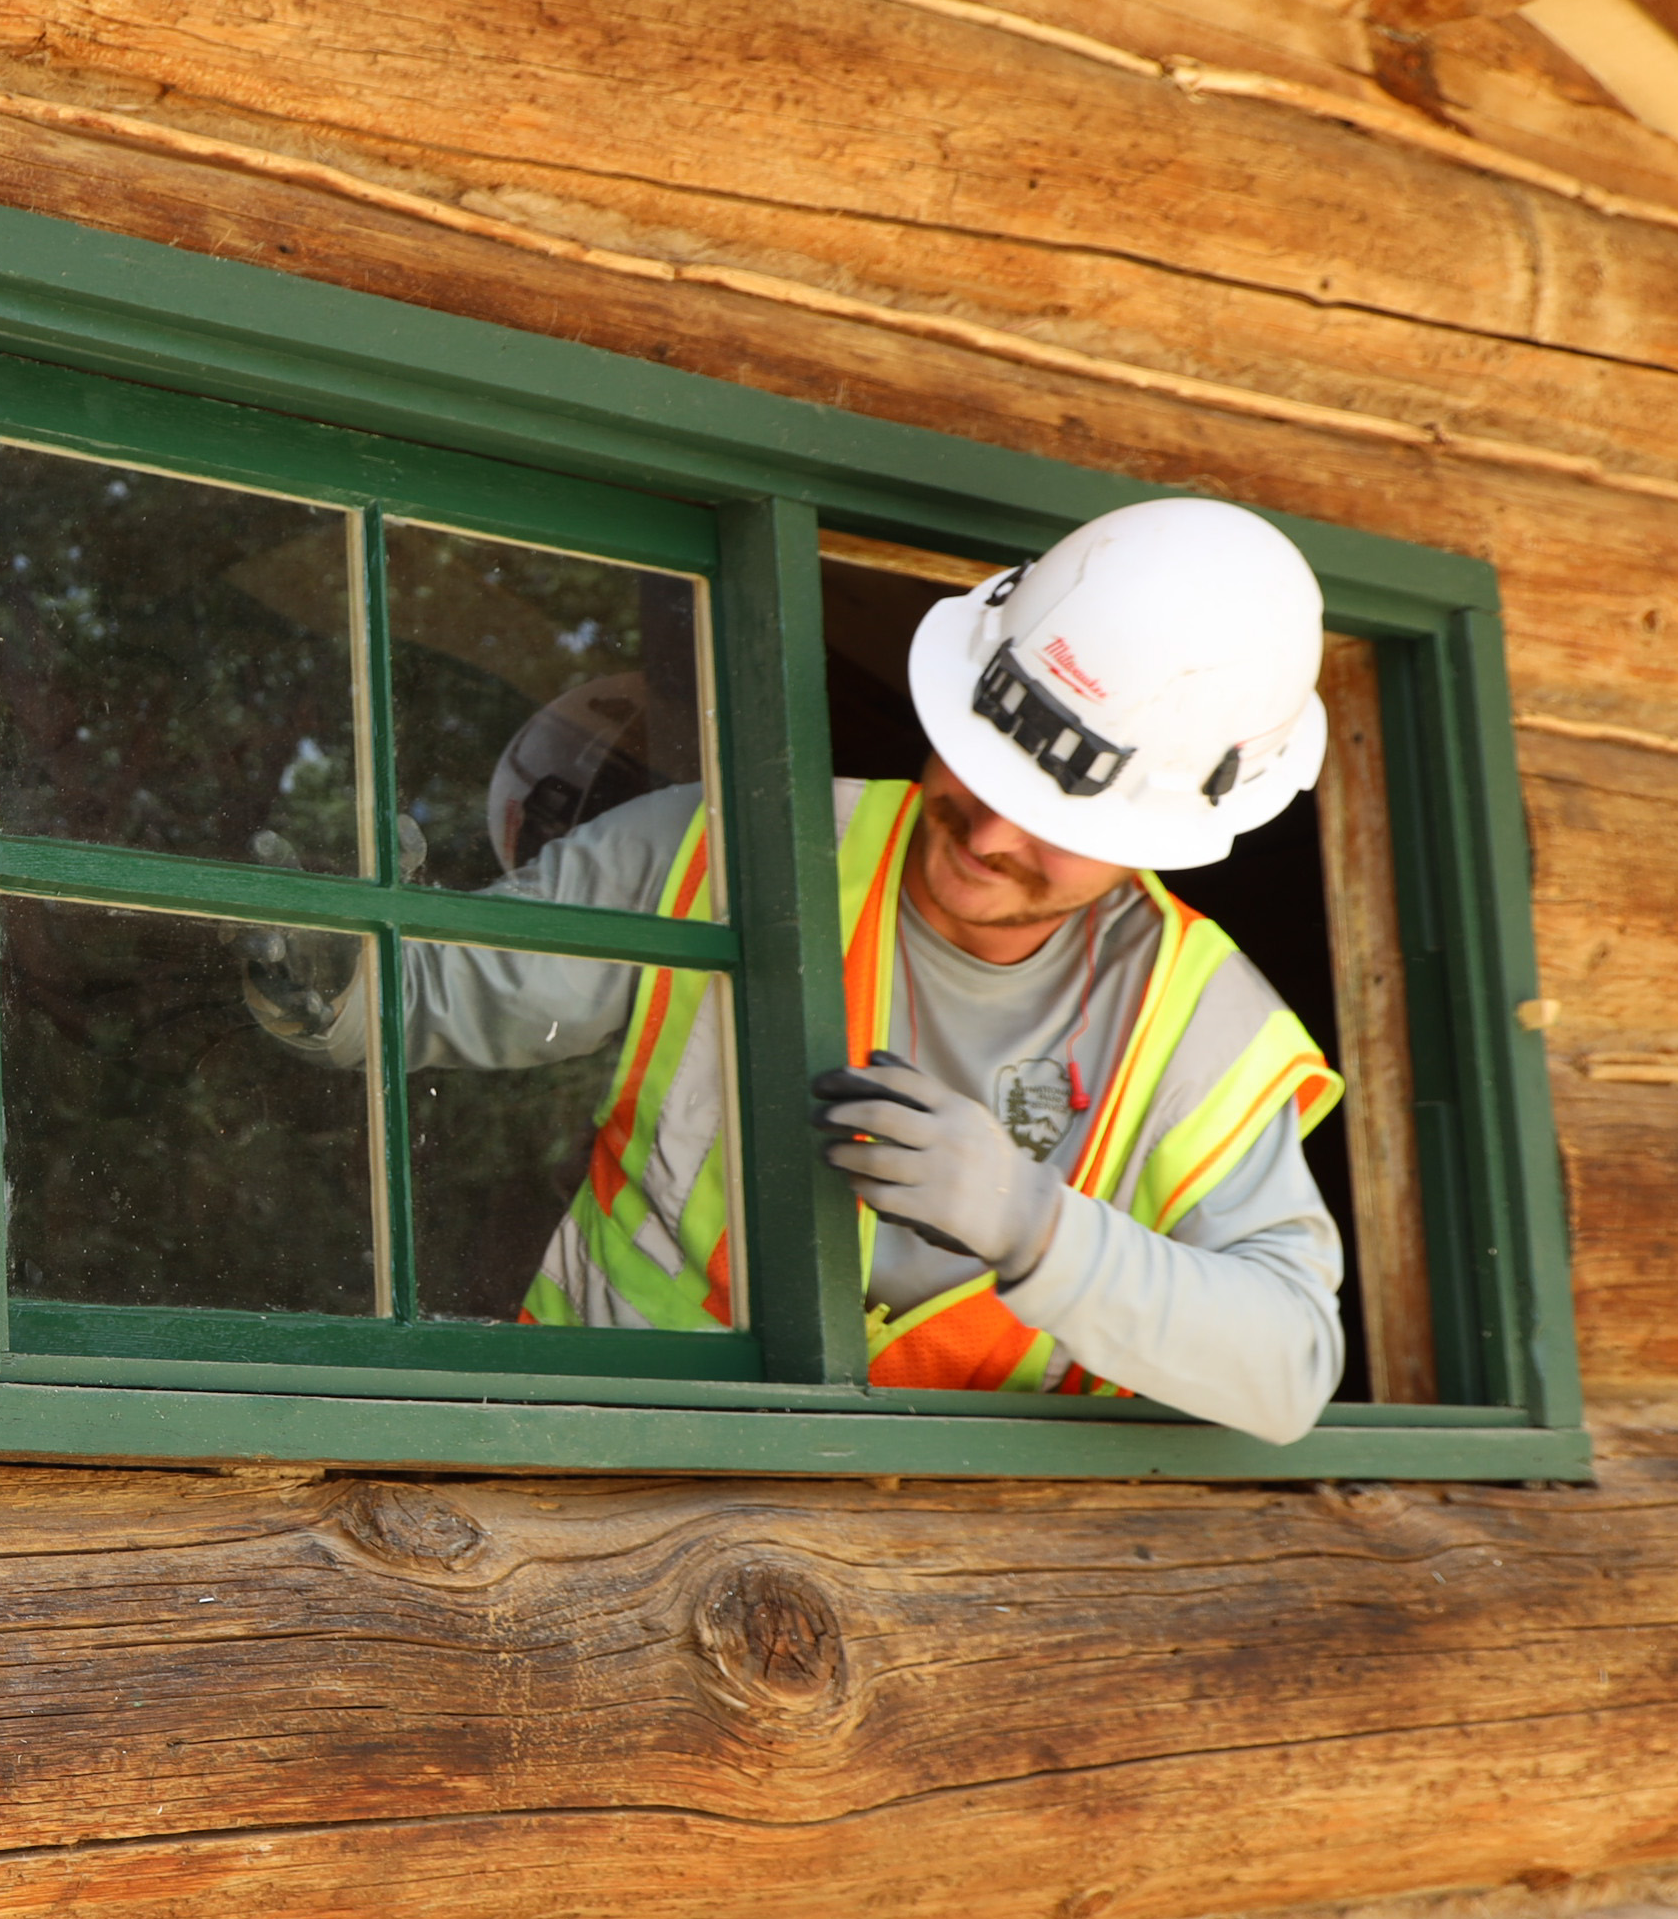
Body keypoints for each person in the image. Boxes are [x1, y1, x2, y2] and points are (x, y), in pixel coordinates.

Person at [245, 497, 1348, 1443]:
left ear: (1167, 838)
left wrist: (1039, 1228)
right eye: (981, 767)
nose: (992, 834)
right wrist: (325, 960)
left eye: (1058, 817)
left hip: (965, 1570)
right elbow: (411, 1006)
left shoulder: (1206, 1024)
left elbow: (1288, 1367)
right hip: (612, 1473)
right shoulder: (726, 852)